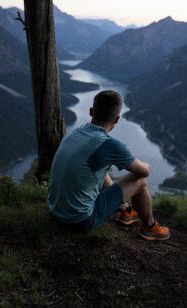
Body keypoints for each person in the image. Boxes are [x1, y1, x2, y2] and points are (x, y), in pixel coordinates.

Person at [47, 90, 170, 240]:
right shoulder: (109, 144)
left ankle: (125, 209)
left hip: (55, 211)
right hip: (80, 220)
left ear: (92, 111)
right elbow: (144, 172)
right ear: (117, 119)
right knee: (141, 181)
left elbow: (97, 166)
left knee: (99, 165)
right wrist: (147, 165)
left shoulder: (75, 132)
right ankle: (150, 227)